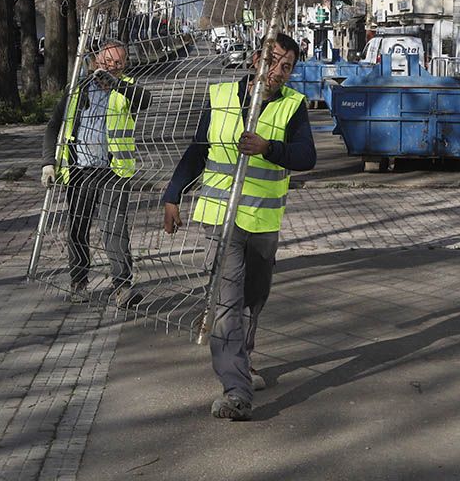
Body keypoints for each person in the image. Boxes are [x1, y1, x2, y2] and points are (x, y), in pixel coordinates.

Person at [162, 33, 316, 422]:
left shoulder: (292, 106)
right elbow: (196, 152)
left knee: (254, 298)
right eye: (274, 61)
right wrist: (172, 195)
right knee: (226, 304)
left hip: (263, 223)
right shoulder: (220, 97)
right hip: (221, 219)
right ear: (255, 60)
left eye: (287, 66)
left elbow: (307, 157)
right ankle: (235, 390)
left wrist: (270, 148)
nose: (278, 72)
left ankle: (242, 361)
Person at [42, 40, 151, 305]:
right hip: (78, 171)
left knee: (114, 230)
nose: (110, 67)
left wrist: (116, 83)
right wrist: (48, 162)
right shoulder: (76, 90)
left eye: (117, 63)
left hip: (113, 171)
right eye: (106, 62)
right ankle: (79, 282)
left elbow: (145, 100)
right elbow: (53, 126)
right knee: (77, 229)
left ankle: (122, 287)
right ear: (95, 62)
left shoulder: (127, 88)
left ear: (124, 66)